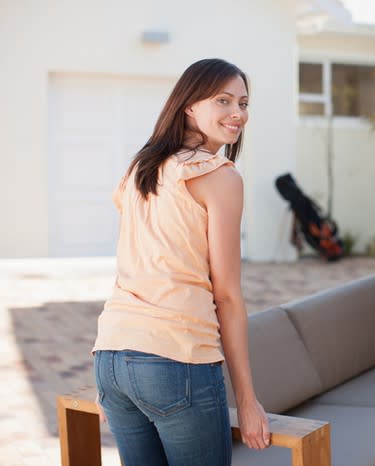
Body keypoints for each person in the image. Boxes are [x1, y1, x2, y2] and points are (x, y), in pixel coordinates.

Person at [92, 58, 269, 466]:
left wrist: (112, 371)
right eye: (223, 100)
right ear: (189, 105)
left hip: (112, 358)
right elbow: (226, 295)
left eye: (243, 103)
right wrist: (247, 401)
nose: (237, 113)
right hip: (176, 358)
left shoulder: (139, 168)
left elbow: (133, 266)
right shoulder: (220, 176)